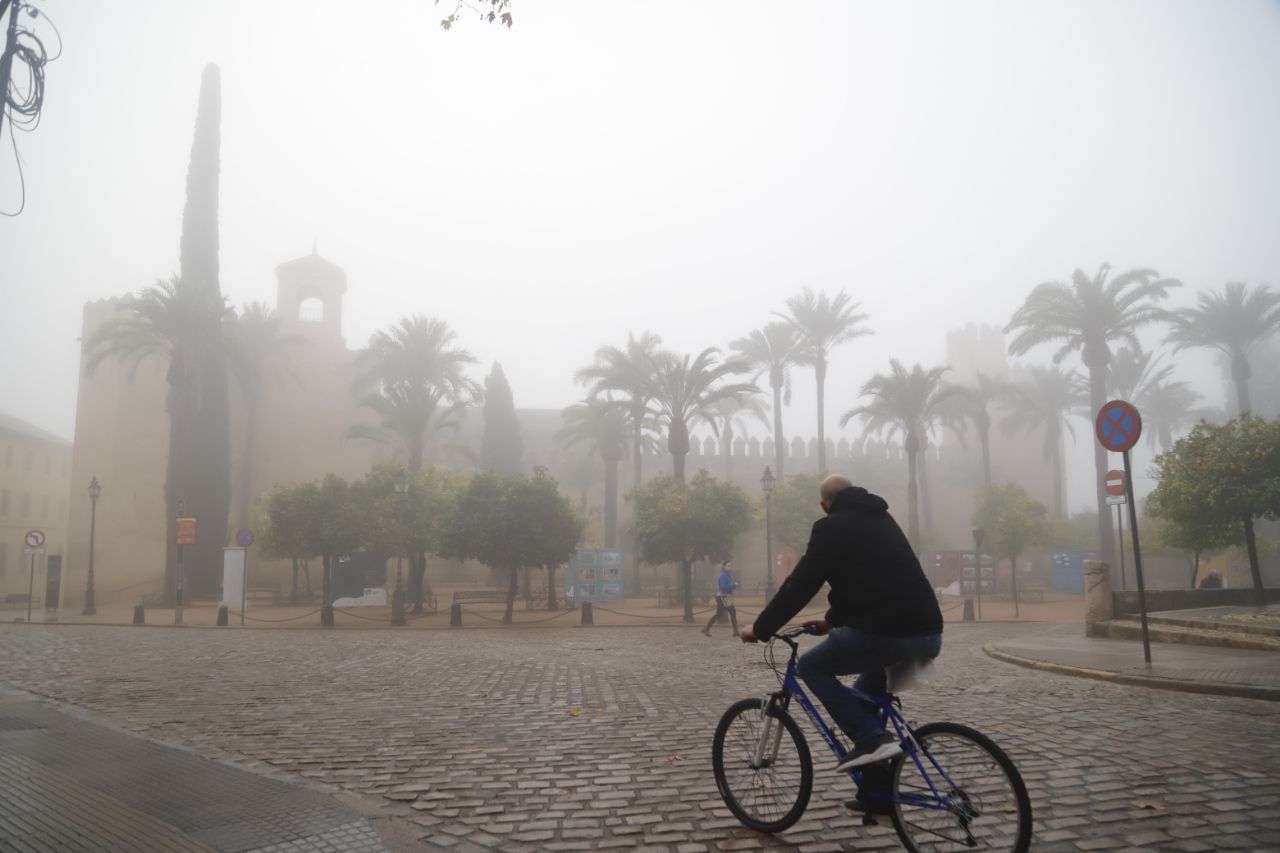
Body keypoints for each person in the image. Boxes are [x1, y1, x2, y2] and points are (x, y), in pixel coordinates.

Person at [741, 474, 943, 795]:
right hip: (929, 634)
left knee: (811, 667)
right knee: (863, 704)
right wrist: (831, 621)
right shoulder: (882, 518)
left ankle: (871, 740)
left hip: (884, 634)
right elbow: (872, 581)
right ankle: (878, 794)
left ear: (824, 505)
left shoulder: (830, 527)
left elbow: (801, 584)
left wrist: (761, 628)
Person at [702, 560, 740, 637]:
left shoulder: (728, 575)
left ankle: (735, 631)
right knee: (724, 613)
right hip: (723, 597)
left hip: (726, 597)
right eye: (728, 566)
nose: (729, 567)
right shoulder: (723, 575)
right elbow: (723, 587)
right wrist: (734, 585)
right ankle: (707, 629)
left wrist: (733, 585)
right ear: (724, 567)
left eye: (730, 566)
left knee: (728, 613)